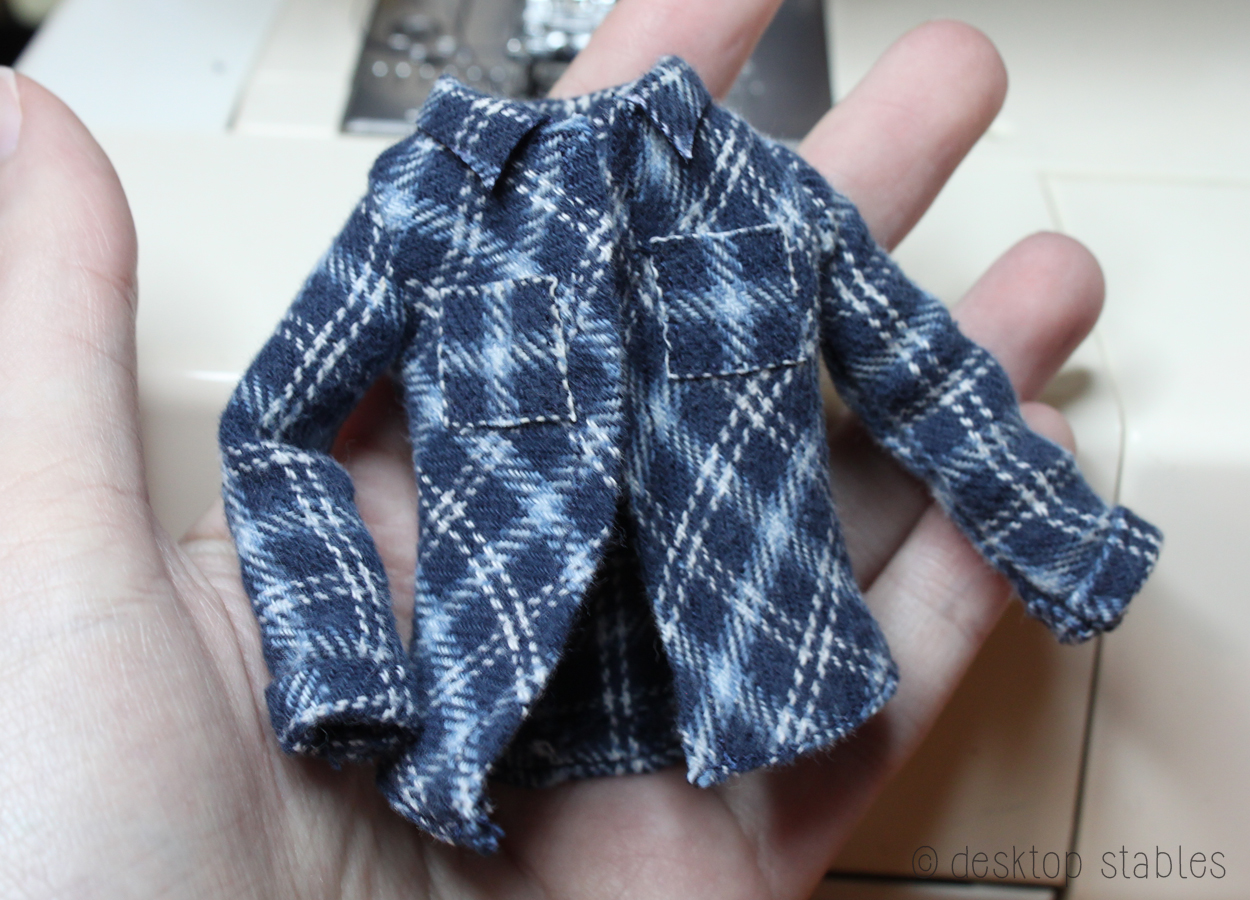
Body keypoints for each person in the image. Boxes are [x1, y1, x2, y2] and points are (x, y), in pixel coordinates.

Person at [0, 2, 1106, 897]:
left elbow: (918, 371)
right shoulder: (427, 203)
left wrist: (1059, 542)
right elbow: (273, 427)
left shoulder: (761, 189)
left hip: (769, 680)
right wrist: (340, 662)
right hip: (495, 714)